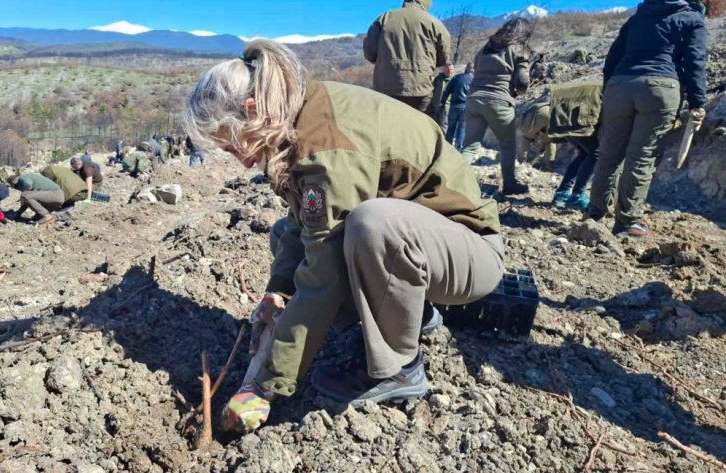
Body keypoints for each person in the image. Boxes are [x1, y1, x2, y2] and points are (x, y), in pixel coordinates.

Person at [185, 40, 504, 434]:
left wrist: (266, 385)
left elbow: (325, 271)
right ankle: (412, 316)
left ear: (251, 112)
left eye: (231, 143)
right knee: (288, 232)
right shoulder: (300, 116)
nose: (239, 158)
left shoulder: (326, 146)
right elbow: (304, 225)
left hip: (470, 250)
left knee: (372, 225)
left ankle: (399, 368)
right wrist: (278, 290)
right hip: (430, 247)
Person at [587, 0, 708, 238]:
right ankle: (626, 221)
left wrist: (609, 90)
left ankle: (594, 213)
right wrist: (697, 101)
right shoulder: (692, 19)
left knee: (609, 153)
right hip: (660, 88)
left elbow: (612, 59)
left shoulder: (636, 19)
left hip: (619, 85)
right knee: (641, 156)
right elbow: (695, 61)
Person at [460, 18, 533, 195]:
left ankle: (454, 182)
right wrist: (518, 92)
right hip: (499, 100)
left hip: (474, 98)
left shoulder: (486, 47)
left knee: (469, 146)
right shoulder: (520, 49)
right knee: (507, 145)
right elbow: (523, 80)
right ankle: (509, 184)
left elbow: (476, 69)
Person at [517, 82, 604, 210]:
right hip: (572, 117)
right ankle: (577, 195)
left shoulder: (605, 85)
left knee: (585, 154)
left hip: (563, 117)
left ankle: (562, 194)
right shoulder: (613, 89)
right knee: (595, 153)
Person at [363, 0, 451, 115]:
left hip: (386, 87)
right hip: (420, 88)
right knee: (419, 128)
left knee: (386, 127)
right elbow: (442, 59)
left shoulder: (385, 18)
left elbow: (370, 53)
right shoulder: (435, 24)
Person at [443, 63, 475, 150]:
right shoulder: (474, 80)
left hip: (454, 106)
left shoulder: (457, 77)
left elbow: (447, 91)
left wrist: (442, 102)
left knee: (450, 128)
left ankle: (447, 148)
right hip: (466, 107)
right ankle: (458, 148)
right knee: (462, 129)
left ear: (466, 68)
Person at [429, 64, 454, 128]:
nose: (449, 71)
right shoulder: (438, 79)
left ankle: (443, 137)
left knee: (443, 124)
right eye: (448, 69)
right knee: (433, 123)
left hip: (446, 106)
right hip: (435, 105)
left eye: (451, 70)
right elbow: (432, 89)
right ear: (444, 70)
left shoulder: (454, 80)